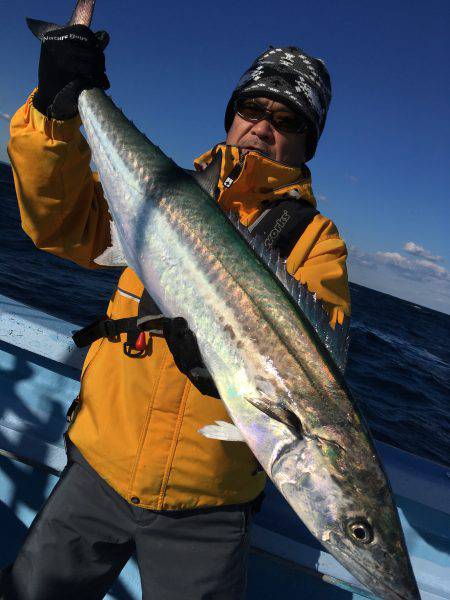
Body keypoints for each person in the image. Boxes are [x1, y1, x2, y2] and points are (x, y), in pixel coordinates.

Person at [3, 25, 350, 600]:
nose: (263, 126)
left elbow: (314, 360)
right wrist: (54, 112)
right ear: (231, 115)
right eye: (251, 107)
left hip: (208, 511)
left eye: (288, 120)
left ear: (308, 144)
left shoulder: (317, 244)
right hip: (96, 467)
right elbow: (59, 225)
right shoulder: (168, 188)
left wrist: (218, 360)